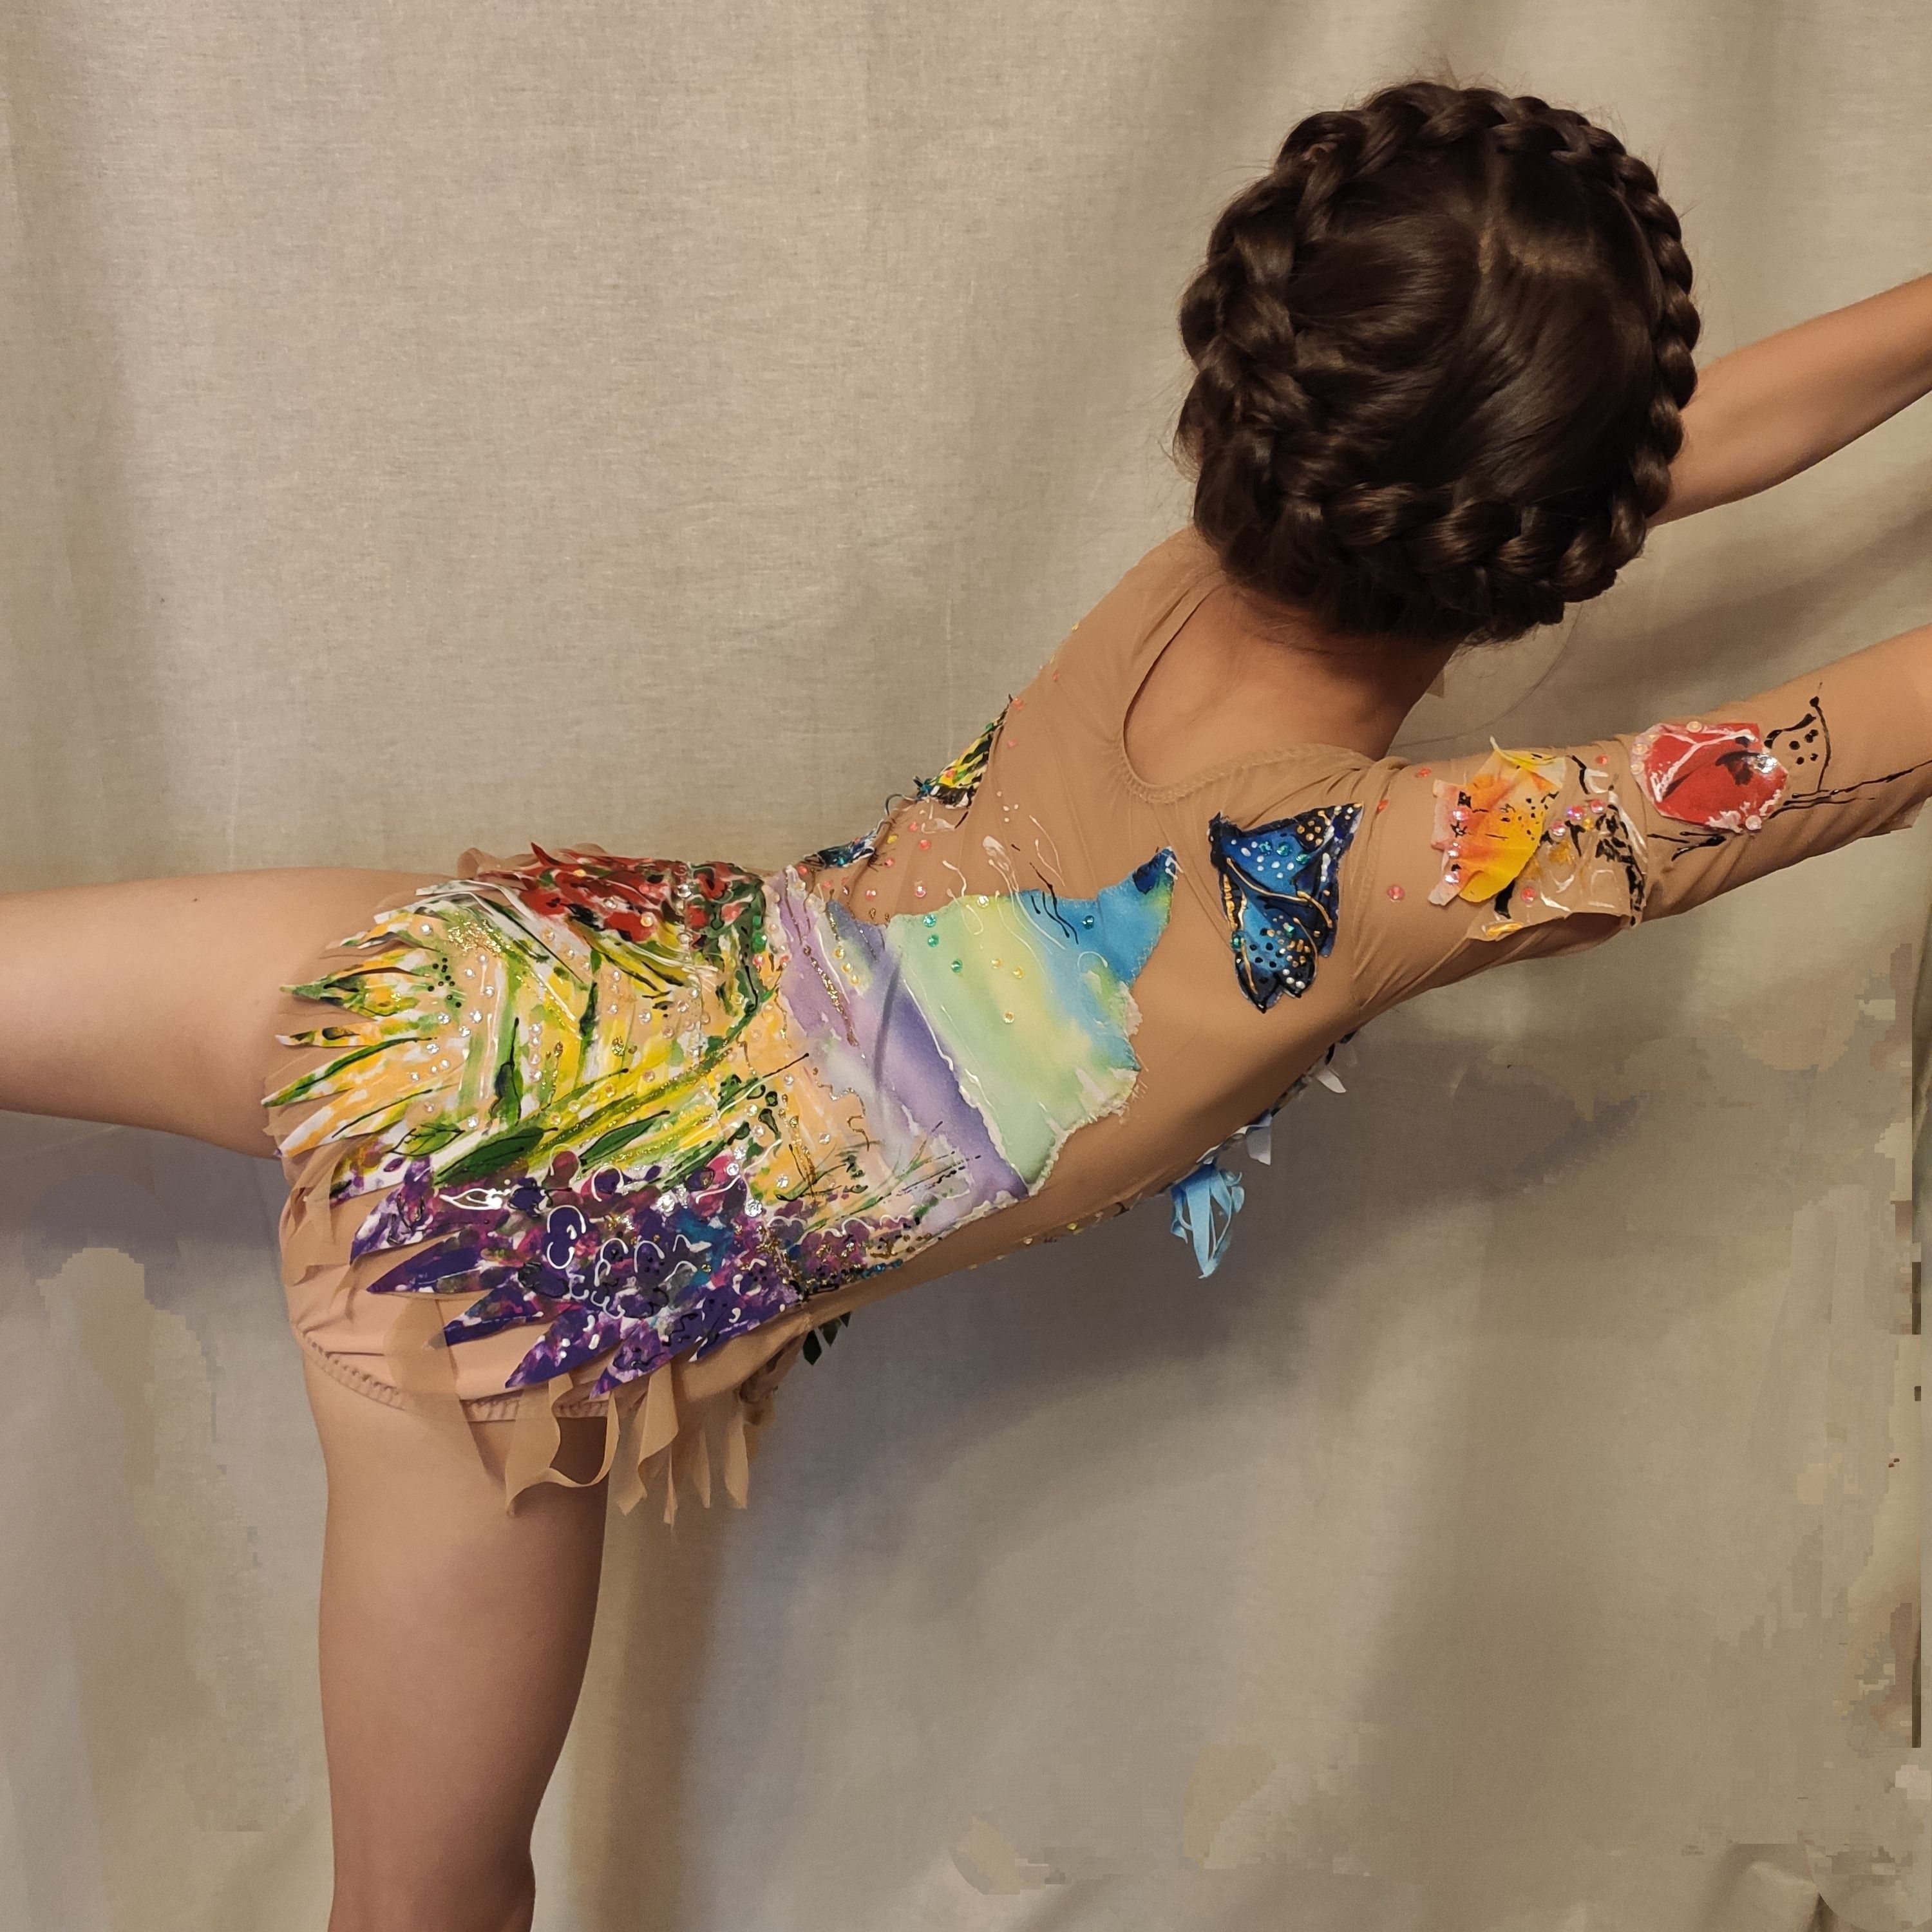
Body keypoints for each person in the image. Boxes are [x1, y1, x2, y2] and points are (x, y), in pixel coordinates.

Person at [4, 73, 1929, 1932]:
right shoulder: (1403, 870)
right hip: (505, 1247)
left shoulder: (1237, 531)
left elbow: (1627, 458)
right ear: (1544, 538)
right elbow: (1851, 732)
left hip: (517, 972)